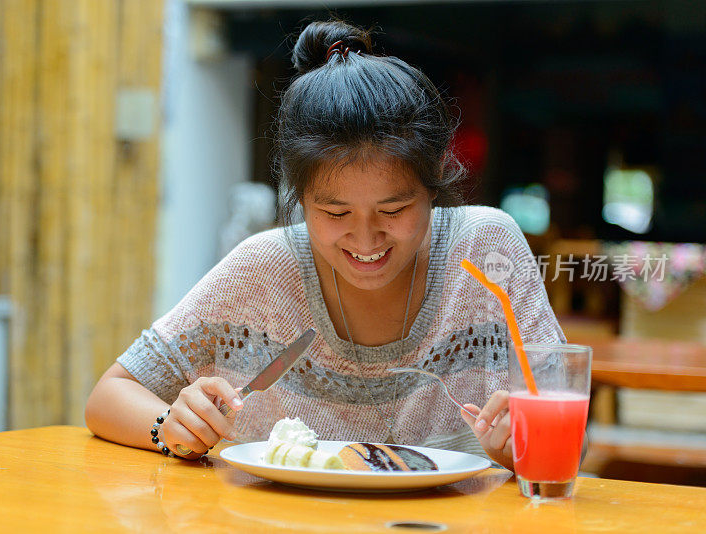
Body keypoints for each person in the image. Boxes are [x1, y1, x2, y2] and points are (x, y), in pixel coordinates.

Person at [85, 20, 565, 470]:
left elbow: (568, 437)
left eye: (393, 210)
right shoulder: (264, 270)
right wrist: (168, 427)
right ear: (299, 197)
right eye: (335, 213)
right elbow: (110, 395)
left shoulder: (486, 253)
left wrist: (520, 447)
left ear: (436, 177)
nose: (366, 238)